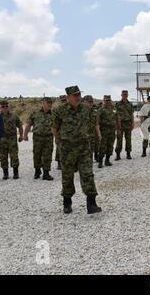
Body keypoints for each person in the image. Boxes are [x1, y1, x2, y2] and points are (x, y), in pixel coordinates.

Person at [52, 86, 102, 215]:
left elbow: (92, 124)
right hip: (67, 149)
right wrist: (59, 141)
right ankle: (67, 203)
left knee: (88, 174)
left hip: (84, 148)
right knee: (67, 176)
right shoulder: (60, 110)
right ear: (68, 97)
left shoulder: (86, 109)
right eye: (75, 95)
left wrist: (88, 136)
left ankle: (91, 204)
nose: (78, 97)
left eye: (79, 94)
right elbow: (54, 127)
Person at [24, 97, 54, 181]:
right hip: (37, 137)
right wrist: (25, 135)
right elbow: (29, 124)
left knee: (47, 155)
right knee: (37, 154)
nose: (49, 104)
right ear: (43, 103)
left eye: (50, 103)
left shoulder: (53, 114)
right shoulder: (35, 113)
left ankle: (46, 173)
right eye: (47, 102)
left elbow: (57, 126)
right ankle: (37, 171)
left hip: (49, 137)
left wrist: (58, 137)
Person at [0, 100, 23, 180]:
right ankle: (5, 173)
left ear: (8, 107)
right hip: (2, 139)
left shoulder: (14, 116)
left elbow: (19, 125)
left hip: (12, 138)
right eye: (3, 106)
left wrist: (21, 135)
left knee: (14, 156)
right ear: (0, 107)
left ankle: (15, 173)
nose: (5, 108)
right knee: (3, 156)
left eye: (6, 106)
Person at [97, 95, 117, 168]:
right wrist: (99, 133)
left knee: (110, 146)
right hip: (104, 131)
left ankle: (107, 161)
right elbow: (97, 123)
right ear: (103, 101)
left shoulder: (113, 109)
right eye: (106, 100)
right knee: (102, 146)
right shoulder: (100, 110)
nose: (108, 102)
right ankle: (100, 162)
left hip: (112, 131)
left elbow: (117, 118)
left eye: (109, 100)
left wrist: (118, 129)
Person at [115, 90, 134, 160]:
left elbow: (131, 114)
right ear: (121, 95)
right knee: (119, 140)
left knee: (128, 140)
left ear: (127, 95)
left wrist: (133, 123)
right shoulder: (118, 104)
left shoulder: (130, 104)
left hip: (128, 124)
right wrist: (117, 125)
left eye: (126, 94)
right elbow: (116, 115)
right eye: (123, 94)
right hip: (120, 124)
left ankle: (128, 154)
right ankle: (118, 154)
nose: (125, 95)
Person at [83, 95, 101, 162]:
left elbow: (96, 124)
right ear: (84, 102)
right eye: (88, 102)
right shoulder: (80, 112)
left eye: (91, 102)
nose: (90, 103)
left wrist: (99, 134)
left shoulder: (94, 112)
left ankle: (89, 165)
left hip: (92, 135)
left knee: (91, 151)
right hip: (82, 136)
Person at [55, 95, 67, 170]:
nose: (63, 102)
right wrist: (56, 136)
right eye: (62, 101)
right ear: (60, 101)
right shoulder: (57, 110)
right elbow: (54, 124)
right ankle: (59, 163)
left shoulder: (70, 109)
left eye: (64, 100)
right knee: (59, 148)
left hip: (69, 133)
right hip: (60, 132)